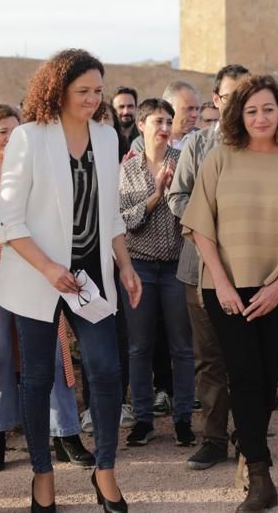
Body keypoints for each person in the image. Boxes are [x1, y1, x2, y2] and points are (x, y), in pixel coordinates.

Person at [0, 49, 142, 513]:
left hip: (92, 277)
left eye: (99, 90)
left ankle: (106, 473)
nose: (94, 100)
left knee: (106, 371)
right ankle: (42, 477)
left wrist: (125, 265)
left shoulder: (107, 135)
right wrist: (49, 269)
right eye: (84, 91)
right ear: (58, 91)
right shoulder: (28, 138)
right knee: (36, 378)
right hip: (37, 276)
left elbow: (111, 213)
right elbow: (8, 221)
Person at [181, 74, 278, 512]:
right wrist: (222, 284)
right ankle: (261, 477)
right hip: (224, 288)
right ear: (237, 115)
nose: (260, 117)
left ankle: (249, 453)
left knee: (266, 379)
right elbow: (199, 226)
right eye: (251, 110)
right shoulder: (220, 158)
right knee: (243, 374)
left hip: (275, 288)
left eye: (267, 108)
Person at [0, 103, 93, 473]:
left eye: (15, 129)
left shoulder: (35, 169)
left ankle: (66, 434)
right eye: (2, 131)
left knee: (52, 355)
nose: (10, 137)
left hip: (36, 275)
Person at [167, 63, 250, 471]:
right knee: (209, 357)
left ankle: (249, 437)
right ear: (216, 100)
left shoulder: (266, 148)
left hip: (254, 267)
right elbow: (177, 197)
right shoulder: (197, 145)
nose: (238, 102)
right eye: (230, 94)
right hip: (199, 266)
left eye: (246, 94)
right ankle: (214, 438)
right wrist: (210, 223)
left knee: (249, 355)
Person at [119, 98, 196, 448]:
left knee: (182, 346)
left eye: (168, 121)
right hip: (140, 268)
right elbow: (124, 222)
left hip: (177, 267)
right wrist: (157, 196)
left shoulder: (184, 163)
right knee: (139, 347)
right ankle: (144, 420)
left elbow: (195, 213)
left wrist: (175, 196)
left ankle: (183, 419)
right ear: (141, 125)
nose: (164, 128)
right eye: (157, 122)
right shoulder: (127, 169)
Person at [129, 81, 201, 154]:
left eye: (197, 109)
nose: (195, 114)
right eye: (189, 109)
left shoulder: (206, 140)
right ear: (169, 107)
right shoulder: (143, 144)